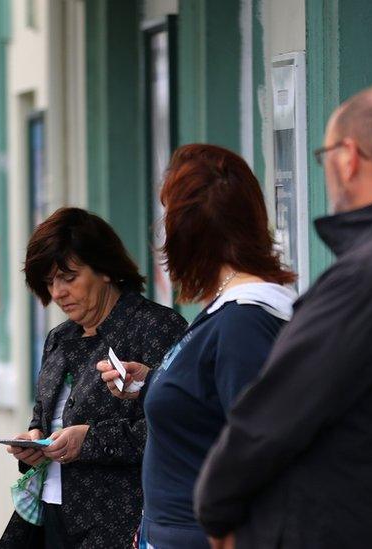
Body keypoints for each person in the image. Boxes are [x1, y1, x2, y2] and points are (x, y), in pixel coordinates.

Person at [193, 86, 372, 549]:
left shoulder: (367, 277)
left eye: (325, 155)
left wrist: (216, 510)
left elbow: (272, 415)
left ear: (348, 158)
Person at [97, 144, 298, 549]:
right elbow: (210, 405)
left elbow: (260, 455)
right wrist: (149, 382)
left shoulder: (245, 321)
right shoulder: (229, 311)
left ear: (190, 233)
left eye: (168, 218)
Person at [0, 207, 188, 548]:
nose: (57, 292)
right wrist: (34, 442)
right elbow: (44, 418)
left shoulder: (156, 328)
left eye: (68, 278)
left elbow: (175, 429)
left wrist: (91, 441)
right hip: (51, 517)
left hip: (122, 523)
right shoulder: (59, 338)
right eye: (49, 281)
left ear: (105, 270)